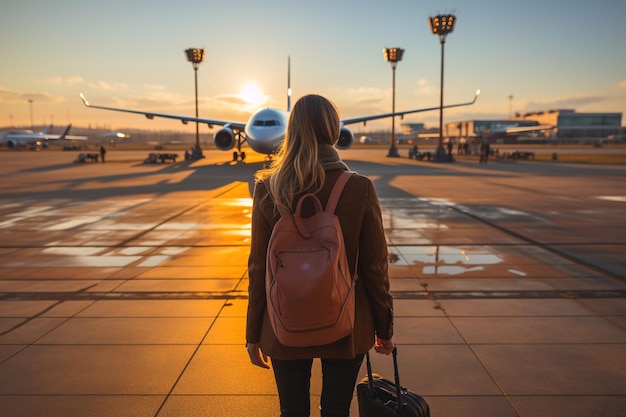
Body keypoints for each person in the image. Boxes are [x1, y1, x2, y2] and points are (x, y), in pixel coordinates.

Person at [246, 94, 394, 417]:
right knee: (336, 409)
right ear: (333, 129)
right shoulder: (359, 188)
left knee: (293, 411)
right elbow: (375, 267)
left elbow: (258, 268)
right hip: (347, 322)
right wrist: (384, 326)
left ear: (292, 130)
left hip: (283, 323)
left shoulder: (267, 189)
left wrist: (253, 332)